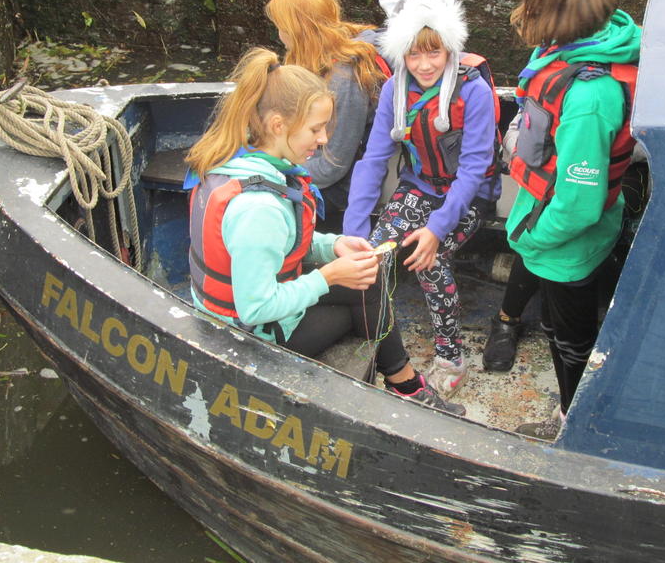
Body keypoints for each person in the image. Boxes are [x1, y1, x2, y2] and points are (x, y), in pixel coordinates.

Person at [185, 46, 464, 415]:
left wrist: (333, 246)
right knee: (365, 305)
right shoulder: (259, 209)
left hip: (244, 312)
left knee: (368, 279)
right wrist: (329, 277)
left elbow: (282, 243)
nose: (323, 140)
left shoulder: (240, 160)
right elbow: (256, 308)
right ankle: (405, 386)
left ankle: (404, 383)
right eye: (315, 129)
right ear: (278, 125)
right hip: (248, 334)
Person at [500, 0, 641, 438]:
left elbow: (579, 205)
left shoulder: (588, 97)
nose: (520, 12)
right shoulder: (576, 49)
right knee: (560, 325)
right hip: (559, 226)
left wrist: (533, 240)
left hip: (566, 244)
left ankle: (573, 427)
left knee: (570, 340)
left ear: (553, 14)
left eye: (529, 4)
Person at [344, 0, 501, 395]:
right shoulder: (394, 91)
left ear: (449, 48)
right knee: (369, 258)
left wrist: (436, 229)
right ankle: (374, 342)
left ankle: (451, 356)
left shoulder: (473, 91)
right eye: (413, 55)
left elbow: (473, 170)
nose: (425, 64)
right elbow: (373, 160)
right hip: (421, 186)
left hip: (469, 195)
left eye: (434, 52)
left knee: (429, 259)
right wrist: (353, 233)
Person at [264, 0, 387, 231]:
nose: (279, 35)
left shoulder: (344, 79)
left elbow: (332, 168)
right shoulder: (322, 53)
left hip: (346, 184)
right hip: (316, 162)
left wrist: (271, 170)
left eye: (280, 27)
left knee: (259, 201)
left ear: (297, 31)